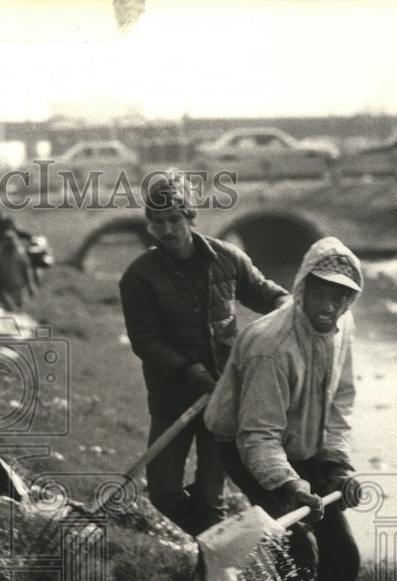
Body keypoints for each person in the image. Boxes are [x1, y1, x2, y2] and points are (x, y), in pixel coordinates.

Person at [204, 236, 366, 581]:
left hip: (305, 446)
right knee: (301, 546)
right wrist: (293, 487)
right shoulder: (271, 346)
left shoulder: (342, 330)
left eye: (341, 296)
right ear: (302, 287)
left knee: (345, 559)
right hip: (246, 444)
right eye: (322, 291)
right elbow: (258, 437)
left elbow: (340, 404)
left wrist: (338, 468)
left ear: (350, 300)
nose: (330, 305)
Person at [118, 176, 290, 535]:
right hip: (172, 398)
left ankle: (210, 577)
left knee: (211, 495)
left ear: (190, 217)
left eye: (175, 220)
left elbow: (264, 294)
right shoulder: (138, 277)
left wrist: (286, 306)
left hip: (226, 398)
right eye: (158, 222)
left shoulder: (227, 259)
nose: (167, 229)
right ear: (149, 225)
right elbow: (145, 341)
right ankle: (215, 544)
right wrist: (189, 370)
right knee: (163, 492)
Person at [0, 228, 36, 312]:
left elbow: (26, 270)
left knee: (17, 309)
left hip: (18, 286)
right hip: (4, 287)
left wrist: (30, 285)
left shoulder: (20, 254)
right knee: (6, 309)